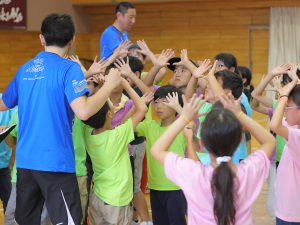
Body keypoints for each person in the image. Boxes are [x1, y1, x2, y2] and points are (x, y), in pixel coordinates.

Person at [0, 13, 122, 225]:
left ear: (41, 38)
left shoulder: (25, 70)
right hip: (55, 163)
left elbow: (4, 103)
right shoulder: (69, 68)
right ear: (72, 39)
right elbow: (83, 111)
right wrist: (110, 85)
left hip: (26, 164)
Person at [151, 93, 275, 225]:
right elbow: (269, 141)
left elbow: (157, 149)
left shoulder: (193, 173)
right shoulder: (248, 172)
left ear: (202, 143)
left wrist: (184, 117)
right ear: (240, 140)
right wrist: (239, 114)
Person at [82, 78, 148, 225]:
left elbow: (94, 110)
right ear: (109, 114)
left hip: (97, 197)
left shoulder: (88, 133)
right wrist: (126, 85)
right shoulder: (117, 136)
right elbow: (142, 108)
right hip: (116, 200)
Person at [135, 85, 187, 225]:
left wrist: (179, 108)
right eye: (156, 101)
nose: (158, 106)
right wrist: (139, 106)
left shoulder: (181, 126)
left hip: (175, 188)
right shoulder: (149, 126)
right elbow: (126, 125)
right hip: (155, 187)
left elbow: (190, 126)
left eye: (165, 102)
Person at [269, 79, 300, 224]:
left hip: (292, 213)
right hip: (287, 209)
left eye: (288, 107)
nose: (285, 111)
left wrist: (283, 97)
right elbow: (278, 121)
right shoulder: (295, 129)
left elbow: (274, 125)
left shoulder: (298, 136)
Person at [0, 94, 14, 213]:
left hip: (2, 165)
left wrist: (6, 128)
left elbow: (15, 124)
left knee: (9, 204)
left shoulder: (5, 100)